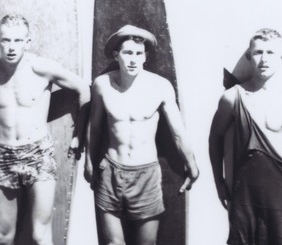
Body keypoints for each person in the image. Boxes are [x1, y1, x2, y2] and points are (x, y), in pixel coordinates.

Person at [209, 28, 282, 245]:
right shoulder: (232, 97)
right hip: (244, 190)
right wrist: (219, 182)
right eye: (258, 52)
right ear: (249, 56)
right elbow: (215, 139)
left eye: (271, 53)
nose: (264, 59)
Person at [85, 24, 199, 245]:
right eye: (128, 53)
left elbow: (178, 132)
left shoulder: (160, 86)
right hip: (110, 171)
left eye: (138, 54)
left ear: (145, 57)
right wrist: (89, 163)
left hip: (146, 173)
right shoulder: (102, 85)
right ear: (117, 55)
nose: (133, 59)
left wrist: (192, 166)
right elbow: (95, 127)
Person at [0, 13, 90, 245]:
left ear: (28, 42)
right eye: (6, 40)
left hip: (38, 154)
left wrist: (80, 134)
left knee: (41, 235)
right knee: (4, 236)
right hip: (3, 155)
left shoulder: (41, 68)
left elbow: (83, 88)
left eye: (18, 40)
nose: (11, 47)